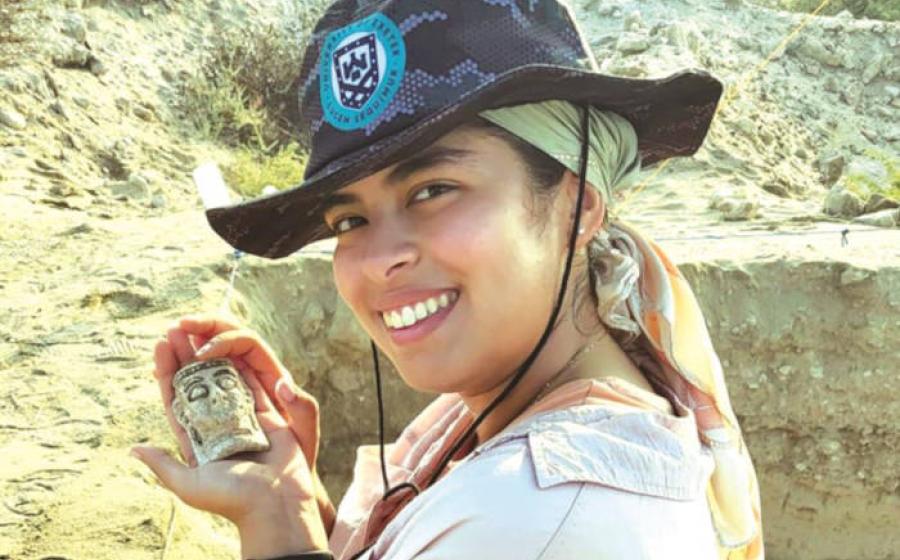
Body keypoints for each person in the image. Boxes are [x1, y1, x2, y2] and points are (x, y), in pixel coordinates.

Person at [130, 1, 765, 559]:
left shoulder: (539, 512)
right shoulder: (505, 424)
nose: (380, 259)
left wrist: (275, 532)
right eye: (349, 218)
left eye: (433, 190)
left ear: (578, 206)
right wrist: (288, 507)